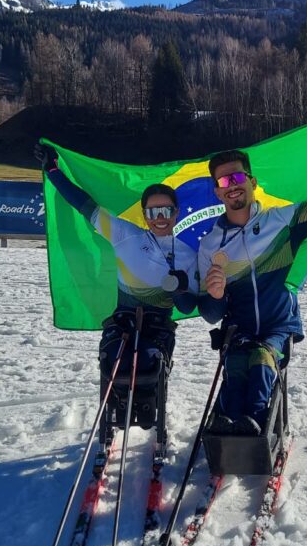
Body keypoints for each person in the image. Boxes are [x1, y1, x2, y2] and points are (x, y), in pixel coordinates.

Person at [198, 109, 307, 435]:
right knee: (236, 366)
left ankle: (252, 427)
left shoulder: (282, 220)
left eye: (237, 177)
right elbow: (211, 314)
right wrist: (214, 295)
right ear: (217, 192)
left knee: (263, 363)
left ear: (251, 181)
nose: (232, 186)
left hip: (278, 327)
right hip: (239, 331)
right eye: (224, 181)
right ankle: (227, 426)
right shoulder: (209, 246)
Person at [37, 144, 197, 446]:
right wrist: (53, 170)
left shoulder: (189, 255)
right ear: (145, 214)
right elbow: (82, 204)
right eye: (153, 211)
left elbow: (190, 306)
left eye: (166, 210)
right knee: (113, 359)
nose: (159, 217)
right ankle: (118, 409)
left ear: (175, 213)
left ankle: (149, 409)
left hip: (158, 328)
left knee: (150, 363)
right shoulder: (126, 234)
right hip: (123, 323)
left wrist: (183, 289)